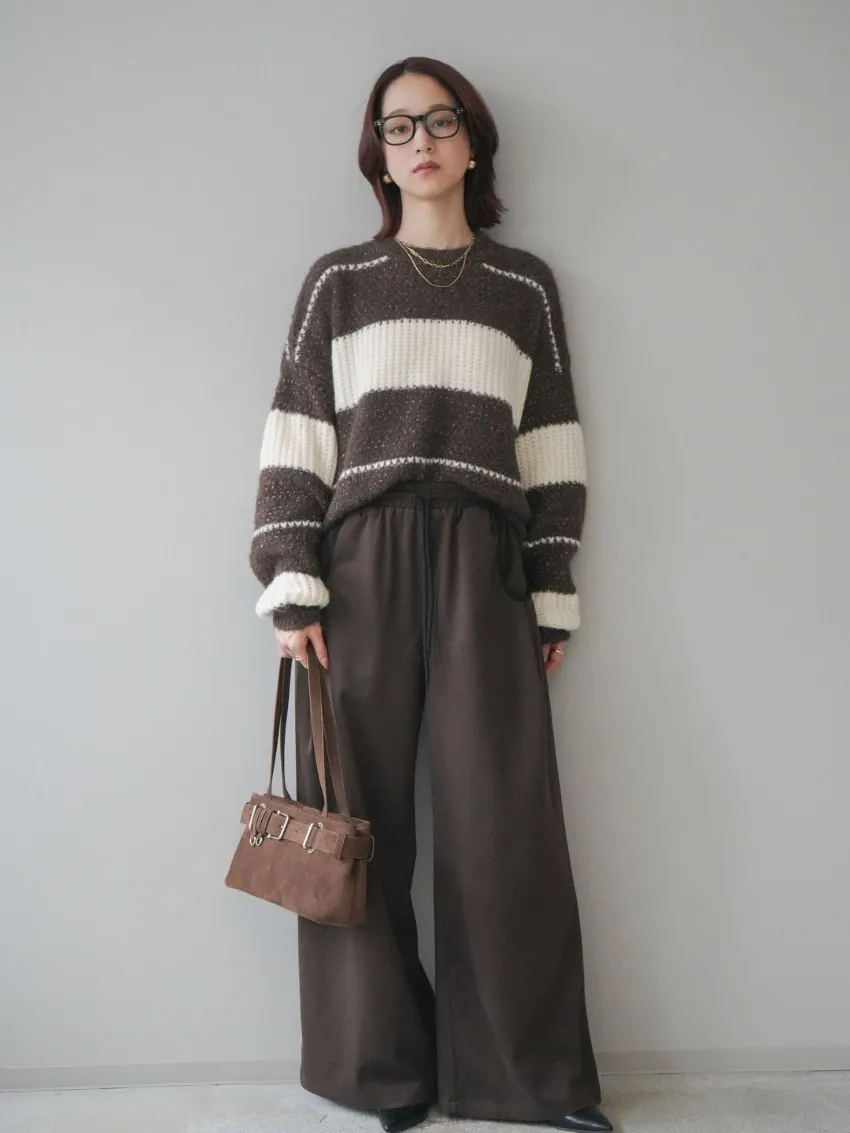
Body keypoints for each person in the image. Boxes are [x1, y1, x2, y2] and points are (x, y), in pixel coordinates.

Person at [248, 55, 613, 1133]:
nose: (421, 141)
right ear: (378, 151)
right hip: (358, 565)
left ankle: (523, 1079)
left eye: (441, 121)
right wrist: (291, 582)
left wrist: (550, 586)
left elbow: (551, 443)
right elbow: (297, 433)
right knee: (355, 820)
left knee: (503, 822)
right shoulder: (339, 281)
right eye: (398, 125)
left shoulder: (523, 287)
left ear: (472, 141)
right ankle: (380, 1072)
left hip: (481, 559)